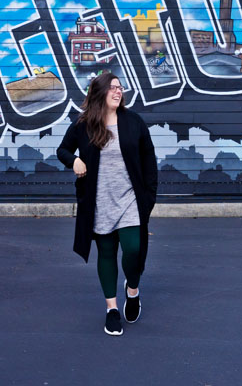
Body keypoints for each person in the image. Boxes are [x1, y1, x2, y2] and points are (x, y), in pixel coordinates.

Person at [56, 72, 158, 336]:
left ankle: (132, 289)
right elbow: (63, 150)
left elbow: (149, 158)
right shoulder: (84, 125)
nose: (118, 91)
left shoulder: (133, 122)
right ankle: (112, 309)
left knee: (134, 250)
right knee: (107, 253)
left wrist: (149, 195)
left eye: (120, 87)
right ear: (99, 92)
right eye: (112, 87)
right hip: (99, 202)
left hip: (130, 201)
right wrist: (74, 161)